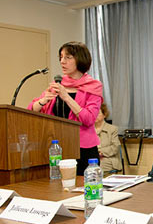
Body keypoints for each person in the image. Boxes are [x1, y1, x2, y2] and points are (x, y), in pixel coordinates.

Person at [28, 41, 102, 176]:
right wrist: (43, 101)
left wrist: (66, 97)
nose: (62, 61)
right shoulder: (57, 83)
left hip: (83, 149)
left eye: (68, 57)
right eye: (61, 57)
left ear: (80, 59)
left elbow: (89, 119)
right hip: (56, 147)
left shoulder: (93, 86)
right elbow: (31, 110)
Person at [95, 103, 122, 175]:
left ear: (104, 115)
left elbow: (115, 147)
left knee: (96, 168)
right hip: (93, 158)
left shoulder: (112, 129)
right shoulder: (88, 130)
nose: (94, 115)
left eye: (97, 113)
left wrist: (100, 152)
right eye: (93, 113)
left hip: (108, 158)